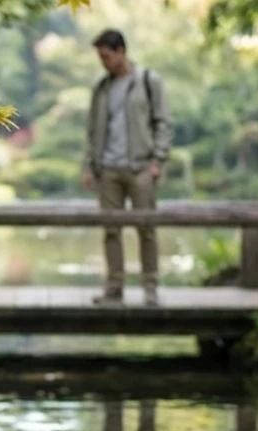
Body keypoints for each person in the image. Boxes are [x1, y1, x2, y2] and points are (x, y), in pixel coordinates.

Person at [81, 30, 173, 306]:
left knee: (146, 228)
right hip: (107, 169)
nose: (103, 62)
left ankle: (150, 287)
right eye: (100, 57)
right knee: (111, 229)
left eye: (106, 56)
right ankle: (114, 286)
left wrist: (157, 159)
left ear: (121, 51)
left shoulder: (147, 81)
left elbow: (164, 123)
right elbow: (93, 130)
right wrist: (89, 166)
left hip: (141, 167)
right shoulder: (101, 88)